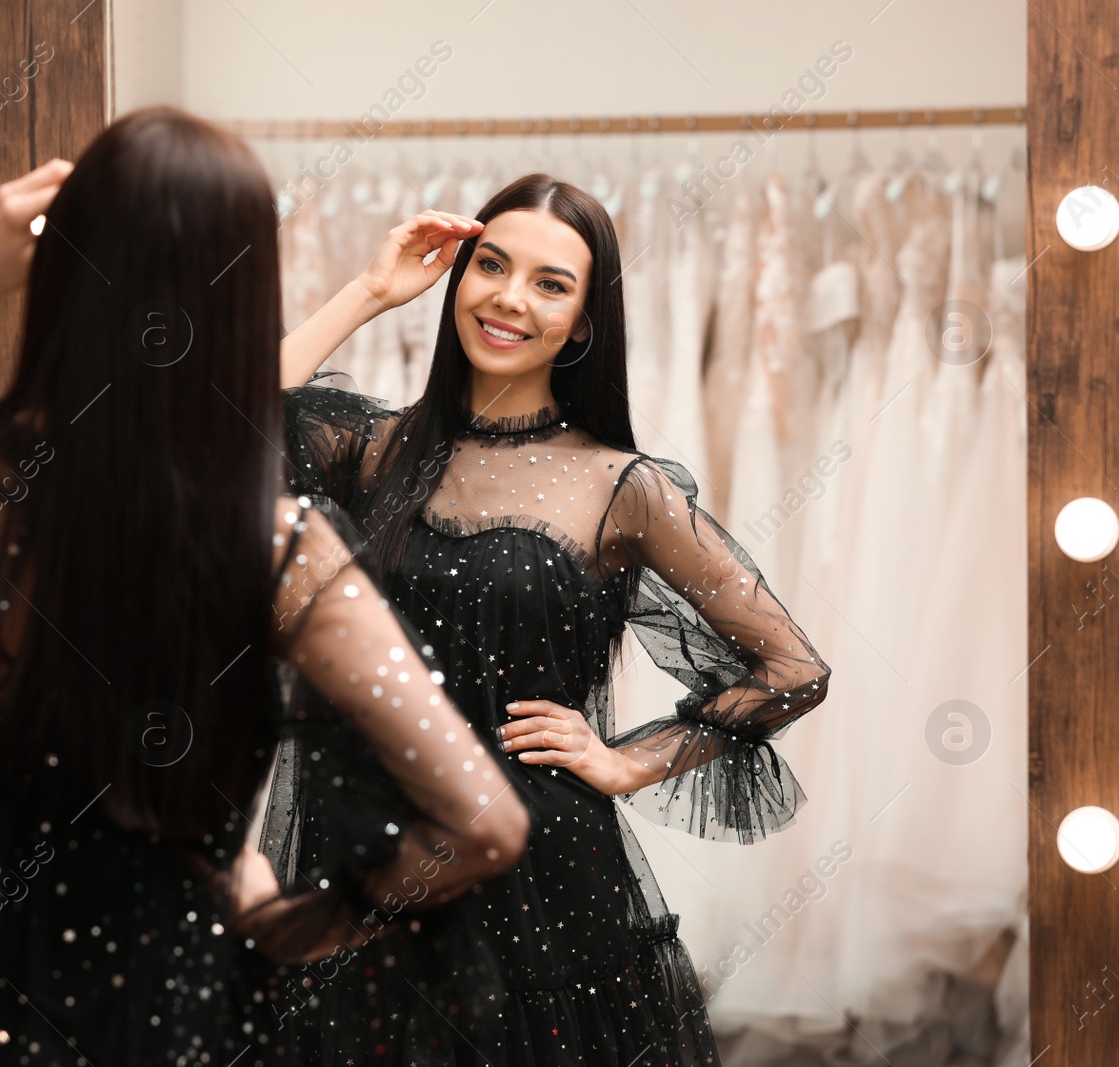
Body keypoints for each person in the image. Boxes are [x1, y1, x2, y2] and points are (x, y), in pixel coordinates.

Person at [0, 106, 528, 1067]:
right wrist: (287, 922)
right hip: (162, 1029)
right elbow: (483, 822)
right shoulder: (267, 549)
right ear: (239, 302)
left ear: (56, 275)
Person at [268, 173, 834, 1065]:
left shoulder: (622, 487)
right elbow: (220, 424)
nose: (508, 298)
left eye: (550, 283)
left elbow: (790, 668)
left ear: (585, 322)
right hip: (367, 851)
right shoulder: (372, 450)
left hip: (542, 875)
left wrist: (626, 761)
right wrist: (370, 291)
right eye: (490, 266)